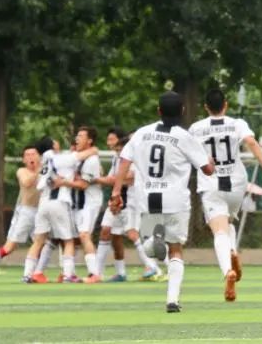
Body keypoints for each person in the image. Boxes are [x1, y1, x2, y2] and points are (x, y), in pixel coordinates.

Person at [110, 91, 214, 313]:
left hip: (148, 199)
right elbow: (207, 169)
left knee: (151, 248)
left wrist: (116, 192)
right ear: (182, 111)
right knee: (175, 249)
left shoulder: (142, 133)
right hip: (176, 201)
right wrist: (210, 161)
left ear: (158, 111)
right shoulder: (184, 137)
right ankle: (172, 300)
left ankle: (153, 241)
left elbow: (124, 160)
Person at [189, 88, 262, 302]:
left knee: (219, 230)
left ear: (206, 107)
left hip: (211, 183)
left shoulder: (196, 128)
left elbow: (187, 154)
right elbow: (251, 142)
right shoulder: (237, 123)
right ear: (225, 105)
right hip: (237, 183)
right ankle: (233, 251)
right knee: (228, 222)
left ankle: (228, 270)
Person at [23, 137, 100, 283]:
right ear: (52, 146)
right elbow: (83, 155)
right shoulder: (59, 159)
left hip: (43, 204)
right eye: (55, 141)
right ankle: (68, 275)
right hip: (59, 202)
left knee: (38, 241)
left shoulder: (44, 162)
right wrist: (94, 149)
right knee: (69, 240)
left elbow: (40, 184)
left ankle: (27, 274)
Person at [96, 132, 163, 281]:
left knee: (133, 234)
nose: (115, 148)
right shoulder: (116, 158)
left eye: (118, 146)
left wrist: (96, 180)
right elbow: (114, 178)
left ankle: (155, 268)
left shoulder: (136, 157)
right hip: (118, 200)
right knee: (107, 231)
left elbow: (128, 178)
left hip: (132, 202)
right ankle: (98, 273)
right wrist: (107, 182)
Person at [0, 145, 41, 283]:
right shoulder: (22, 171)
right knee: (9, 247)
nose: (31, 157)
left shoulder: (44, 170)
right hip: (25, 212)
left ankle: (29, 275)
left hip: (41, 212)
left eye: (33, 154)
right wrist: (38, 171)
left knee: (41, 243)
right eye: (28, 155)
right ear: (24, 159)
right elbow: (27, 183)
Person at [57, 127, 103, 283]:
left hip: (90, 203)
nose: (77, 138)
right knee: (72, 239)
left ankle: (94, 274)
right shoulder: (78, 158)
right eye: (77, 136)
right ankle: (68, 273)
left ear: (90, 140)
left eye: (81, 136)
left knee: (84, 235)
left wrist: (63, 182)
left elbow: (83, 184)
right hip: (78, 203)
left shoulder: (92, 160)